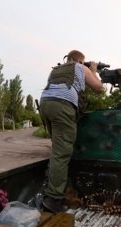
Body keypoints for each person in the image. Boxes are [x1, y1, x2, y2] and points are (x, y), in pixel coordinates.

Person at [39, 50, 104, 213]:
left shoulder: (56, 70)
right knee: (62, 154)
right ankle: (53, 199)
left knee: (57, 151)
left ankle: (57, 187)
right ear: (80, 61)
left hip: (46, 105)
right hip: (62, 105)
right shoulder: (80, 67)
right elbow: (99, 88)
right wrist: (93, 71)